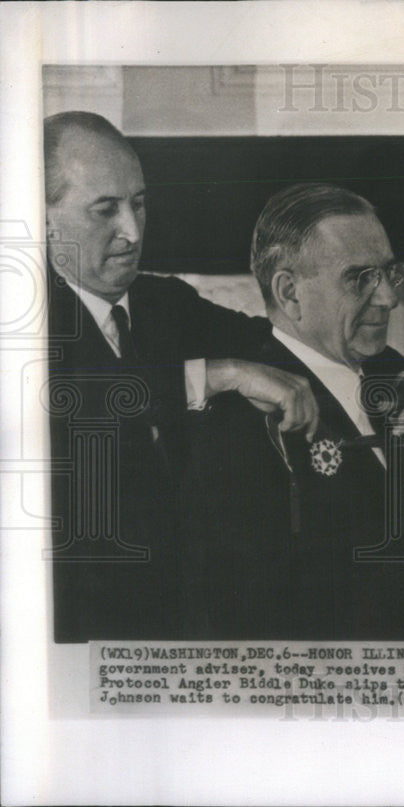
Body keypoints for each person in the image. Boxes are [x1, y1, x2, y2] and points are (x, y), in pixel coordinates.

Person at [44, 111, 320, 641]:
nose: (131, 230)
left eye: (139, 203)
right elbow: (75, 398)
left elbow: (288, 347)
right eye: (105, 210)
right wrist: (217, 375)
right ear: (44, 217)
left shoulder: (166, 302)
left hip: (192, 616)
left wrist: (394, 379)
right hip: (77, 626)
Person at [178, 183, 404, 639]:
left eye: (389, 273)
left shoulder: (396, 389)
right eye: (359, 278)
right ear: (289, 293)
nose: (389, 298)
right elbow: (244, 619)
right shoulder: (240, 426)